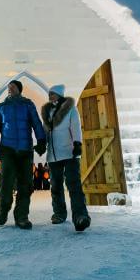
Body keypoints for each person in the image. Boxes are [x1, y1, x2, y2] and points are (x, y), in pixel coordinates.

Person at [0, 80, 46, 229]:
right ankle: (3, 209)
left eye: (12, 87)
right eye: (8, 87)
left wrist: (41, 140)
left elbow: (36, 123)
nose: (9, 89)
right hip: (8, 150)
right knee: (6, 183)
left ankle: (22, 216)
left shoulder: (28, 104)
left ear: (19, 89)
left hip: (25, 150)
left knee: (25, 184)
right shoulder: (2, 107)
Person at [41, 84, 91, 232]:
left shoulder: (71, 110)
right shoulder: (48, 112)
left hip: (69, 153)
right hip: (53, 155)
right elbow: (46, 131)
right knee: (55, 186)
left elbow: (76, 127)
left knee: (73, 185)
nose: (50, 96)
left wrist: (77, 144)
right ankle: (59, 214)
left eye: (53, 94)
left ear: (60, 95)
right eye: (49, 94)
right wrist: (42, 143)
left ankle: (80, 216)